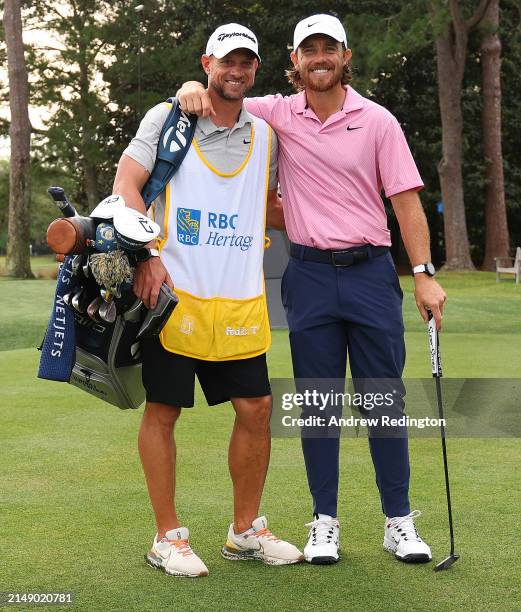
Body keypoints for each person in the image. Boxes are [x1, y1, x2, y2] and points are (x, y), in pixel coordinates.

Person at [177, 14, 447, 566]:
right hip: (310, 276)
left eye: (329, 48)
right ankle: (325, 521)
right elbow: (222, 92)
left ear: (345, 56)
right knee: (319, 404)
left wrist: (422, 272)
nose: (319, 57)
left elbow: (405, 201)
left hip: (372, 273)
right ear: (294, 61)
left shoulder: (377, 120)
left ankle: (399, 522)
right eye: (309, 50)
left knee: (383, 401)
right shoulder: (276, 113)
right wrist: (187, 88)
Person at [113, 23, 303, 578]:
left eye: (245, 62)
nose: (235, 71)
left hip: (239, 299)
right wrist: (147, 253)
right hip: (173, 296)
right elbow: (127, 184)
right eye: (226, 61)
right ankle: (166, 538)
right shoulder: (168, 119)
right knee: (164, 411)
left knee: (257, 409)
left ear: (255, 70)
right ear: (207, 63)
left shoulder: (267, 135)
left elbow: (266, 206)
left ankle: (245, 532)